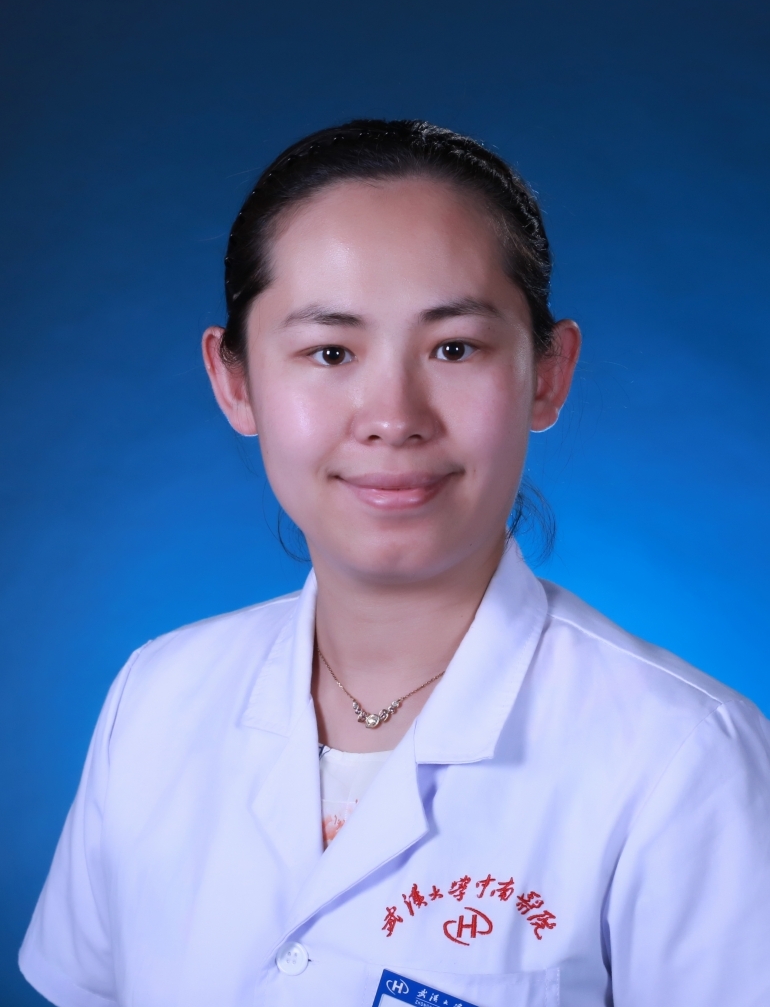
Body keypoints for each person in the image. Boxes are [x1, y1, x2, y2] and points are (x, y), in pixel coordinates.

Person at [19, 120, 770, 1007]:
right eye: (330, 352)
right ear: (235, 382)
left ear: (547, 374)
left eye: (454, 348)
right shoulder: (156, 698)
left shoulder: (684, 758)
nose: (392, 417)